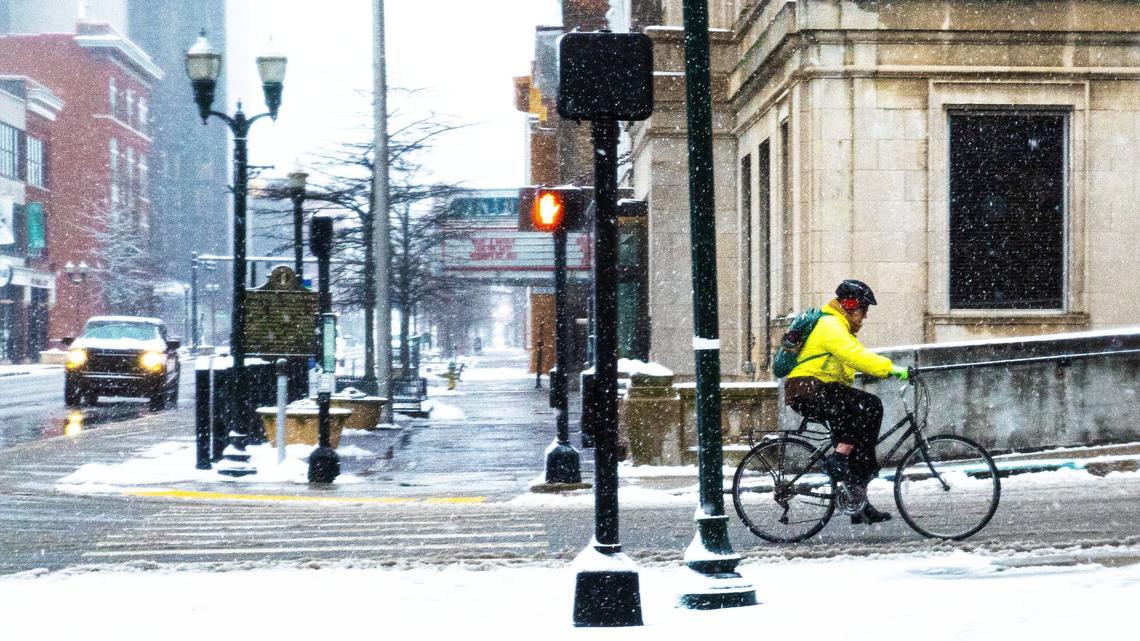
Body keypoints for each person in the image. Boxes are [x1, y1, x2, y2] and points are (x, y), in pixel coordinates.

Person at [783, 279, 909, 525]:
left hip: (821, 390)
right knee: (870, 406)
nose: (864, 317)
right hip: (809, 389)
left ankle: (858, 502)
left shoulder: (839, 326)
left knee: (862, 440)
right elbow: (855, 356)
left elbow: (852, 360)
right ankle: (839, 458)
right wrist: (893, 369)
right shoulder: (830, 325)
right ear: (851, 306)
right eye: (864, 311)